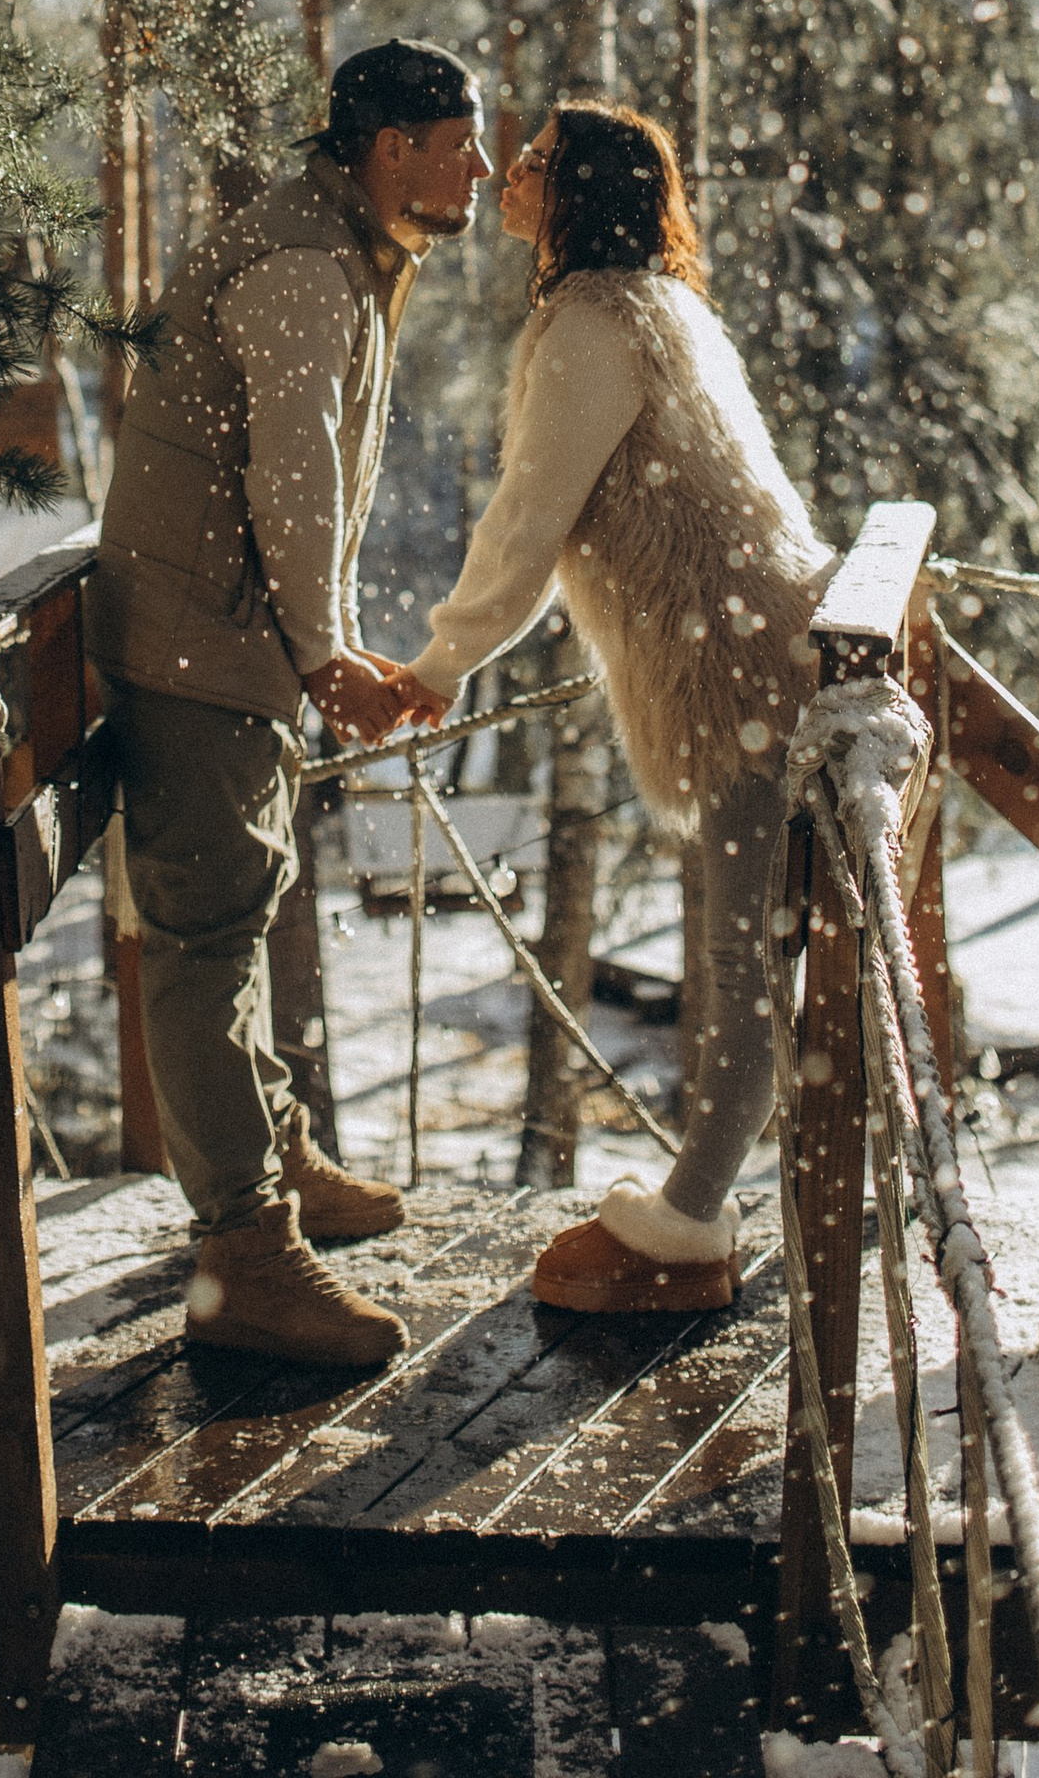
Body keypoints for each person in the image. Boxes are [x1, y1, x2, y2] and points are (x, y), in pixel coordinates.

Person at [88, 40, 491, 1365]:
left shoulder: (327, 245)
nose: (481, 170)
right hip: (198, 646)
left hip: (214, 635)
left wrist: (322, 647)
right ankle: (246, 1250)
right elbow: (294, 474)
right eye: (459, 145)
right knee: (208, 931)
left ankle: (270, 1155)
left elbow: (300, 478)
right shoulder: (306, 266)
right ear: (389, 150)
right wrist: (328, 656)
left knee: (238, 905)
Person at [399, 95, 830, 1300]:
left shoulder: (593, 331)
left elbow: (527, 525)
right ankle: (725, 1211)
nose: (509, 175)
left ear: (578, 196)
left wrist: (435, 667)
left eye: (536, 163)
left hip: (737, 667)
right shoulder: (657, 310)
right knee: (757, 957)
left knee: (744, 967)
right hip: (773, 647)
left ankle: (687, 1228)